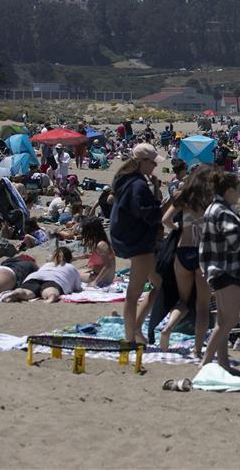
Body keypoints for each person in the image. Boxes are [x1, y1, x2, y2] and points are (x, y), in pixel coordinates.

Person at [110, 142, 164, 344]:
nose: (154, 167)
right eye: (152, 163)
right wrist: (165, 203)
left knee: (159, 285)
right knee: (134, 294)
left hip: (131, 240)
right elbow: (149, 214)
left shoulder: (126, 180)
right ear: (142, 162)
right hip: (138, 243)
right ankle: (130, 337)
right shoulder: (137, 185)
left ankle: (137, 329)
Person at [160, 165, 214, 356]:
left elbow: (165, 220)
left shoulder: (184, 197)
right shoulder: (212, 199)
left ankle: (167, 328)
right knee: (202, 306)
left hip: (183, 251)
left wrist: (177, 227)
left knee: (183, 300)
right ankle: (198, 350)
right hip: (202, 254)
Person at [199, 171, 240, 371]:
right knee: (229, 321)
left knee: (222, 321)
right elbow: (235, 242)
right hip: (227, 270)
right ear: (229, 191)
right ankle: (206, 363)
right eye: (238, 190)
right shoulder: (224, 211)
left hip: (215, 269)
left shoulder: (212, 208)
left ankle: (223, 362)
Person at [3, 247, 82, 303]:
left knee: (27, 291)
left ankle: (17, 293)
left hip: (34, 277)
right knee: (50, 290)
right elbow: (77, 286)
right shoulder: (71, 267)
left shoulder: (47, 264)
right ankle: (51, 297)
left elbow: (40, 272)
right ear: (69, 258)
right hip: (55, 279)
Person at [77, 216, 116, 287]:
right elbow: (101, 258)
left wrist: (95, 282)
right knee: (75, 271)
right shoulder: (100, 242)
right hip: (97, 274)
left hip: (103, 278)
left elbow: (108, 265)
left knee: (73, 275)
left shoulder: (101, 245)